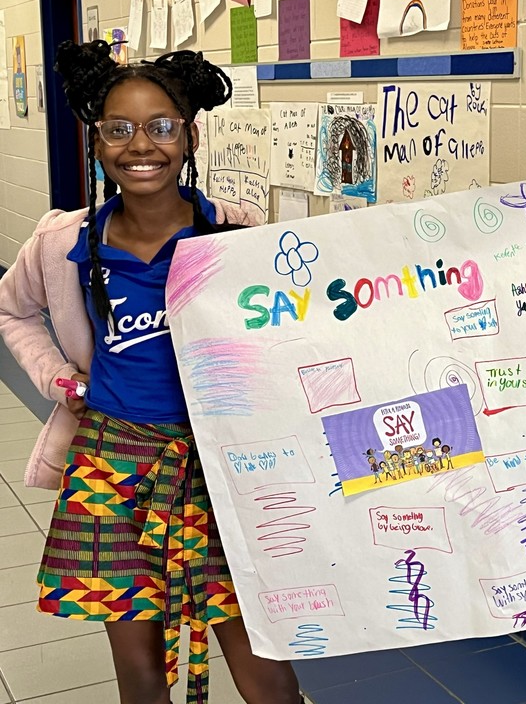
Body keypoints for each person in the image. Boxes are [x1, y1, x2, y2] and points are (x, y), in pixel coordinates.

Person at [0, 40, 303, 704]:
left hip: (219, 463)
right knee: (139, 672)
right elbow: (12, 310)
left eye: (162, 126)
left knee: (261, 659)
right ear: (97, 142)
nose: (141, 145)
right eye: (119, 129)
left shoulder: (236, 233)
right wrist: (61, 380)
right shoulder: (63, 242)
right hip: (110, 464)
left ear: (190, 137)